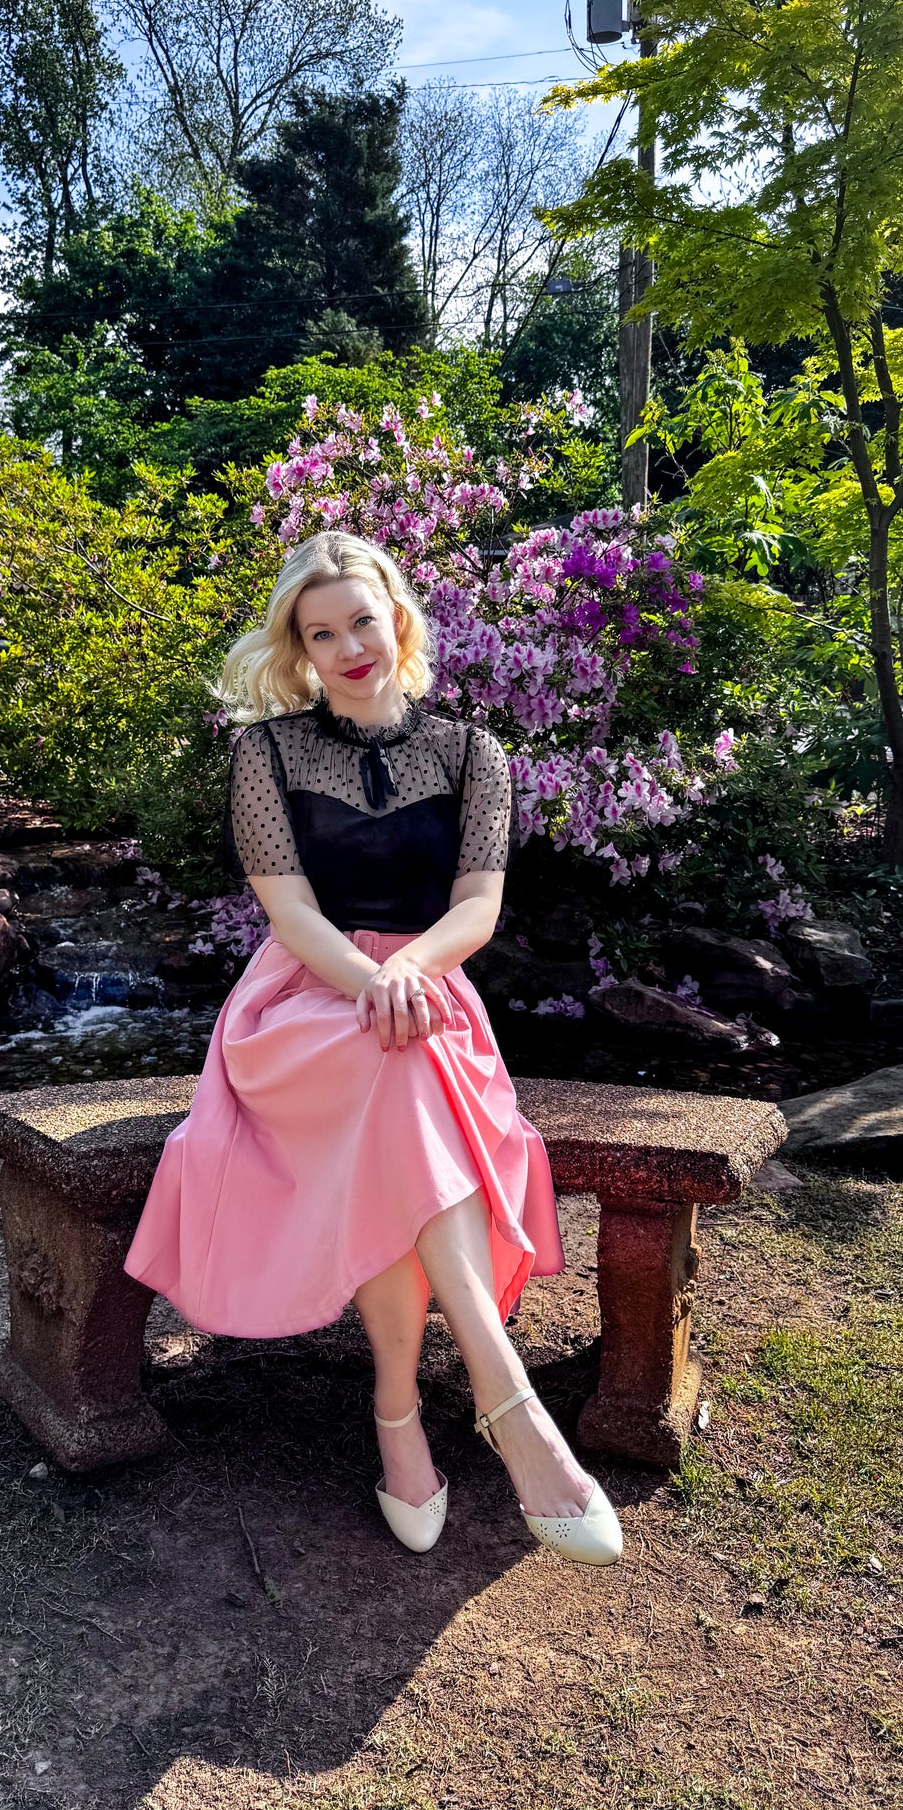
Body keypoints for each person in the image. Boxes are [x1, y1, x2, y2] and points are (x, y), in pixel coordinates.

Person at [126, 531, 622, 1567]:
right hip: (303, 1000)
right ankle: (508, 1400)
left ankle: (398, 1409)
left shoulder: (474, 753)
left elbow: (477, 906)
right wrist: (372, 983)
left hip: (428, 989)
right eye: (322, 634)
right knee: (388, 1063)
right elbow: (291, 913)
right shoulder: (265, 754)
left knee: (399, 1073)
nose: (349, 647)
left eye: (362, 620)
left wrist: (408, 976)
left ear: (396, 617)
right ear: (300, 650)